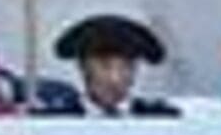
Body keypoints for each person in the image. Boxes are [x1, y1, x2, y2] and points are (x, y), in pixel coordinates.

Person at [35, 14, 180, 117]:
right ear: (83, 67)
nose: (114, 79)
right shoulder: (55, 121)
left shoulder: (159, 120)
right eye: (104, 66)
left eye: (126, 67)